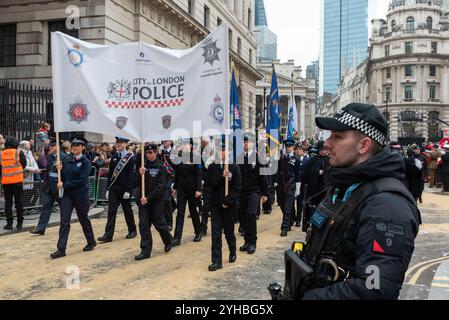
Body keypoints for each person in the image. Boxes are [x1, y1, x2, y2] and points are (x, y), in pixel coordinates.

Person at [298, 103, 419, 300]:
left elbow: (375, 289)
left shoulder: (387, 205)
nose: (327, 143)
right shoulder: (345, 185)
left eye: (338, 136)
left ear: (363, 145)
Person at [51, 136, 96, 259]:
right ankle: (61, 248)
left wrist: (64, 184)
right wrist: (59, 168)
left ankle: (91, 241)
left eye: (77, 145)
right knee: (64, 220)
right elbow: (63, 175)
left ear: (82, 147)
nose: (74, 147)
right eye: (73, 145)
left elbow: (81, 180)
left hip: (81, 194)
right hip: (68, 195)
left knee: (83, 218)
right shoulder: (66, 159)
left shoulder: (86, 162)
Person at [205, 143, 241, 271]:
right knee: (215, 233)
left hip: (228, 207)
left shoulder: (234, 167)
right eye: (220, 150)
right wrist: (222, 176)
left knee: (229, 232)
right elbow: (210, 184)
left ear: (229, 152)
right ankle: (216, 261)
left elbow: (237, 188)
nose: (222, 152)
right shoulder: (213, 167)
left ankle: (232, 250)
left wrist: (229, 201)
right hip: (215, 205)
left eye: (225, 150)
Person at [135, 144, 173, 260]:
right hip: (143, 201)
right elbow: (136, 183)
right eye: (147, 152)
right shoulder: (143, 165)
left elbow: (160, 186)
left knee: (159, 224)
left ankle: (168, 240)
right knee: (144, 226)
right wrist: (139, 173)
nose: (149, 154)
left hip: (156, 201)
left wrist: (148, 198)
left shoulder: (160, 166)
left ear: (156, 153)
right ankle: (145, 251)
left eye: (151, 152)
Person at [97, 137, 137, 243]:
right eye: (117, 143)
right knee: (111, 211)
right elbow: (111, 174)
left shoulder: (131, 158)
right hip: (114, 188)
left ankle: (132, 230)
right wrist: (108, 188)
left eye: (121, 143)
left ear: (126, 144)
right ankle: (108, 235)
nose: (118, 145)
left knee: (127, 210)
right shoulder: (114, 156)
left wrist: (129, 190)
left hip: (124, 189)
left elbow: (131, 175)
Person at [236, 135, 269, 254]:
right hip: (241, 192)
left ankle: (252, 242)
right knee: (242, 216)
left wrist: (265, 193)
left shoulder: (258, 158)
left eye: (248, 142)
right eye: (244, 142)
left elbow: (263, 176)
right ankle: (246, 241)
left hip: (254, 192)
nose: (246, 144)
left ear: (253, 144)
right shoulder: (239, 158)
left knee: (251, 214)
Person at [30, 142, 67, 235]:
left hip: (59, 186)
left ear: (57, 147)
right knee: (45, 207)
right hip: (49, 187)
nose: (50, 147)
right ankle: (40, 228)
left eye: (53, 146)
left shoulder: (64, 157)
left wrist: (61, 170)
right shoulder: (49, 156)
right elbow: (48, 171)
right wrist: (44, 182)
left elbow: (67, 172)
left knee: (64, 208)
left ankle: (65, 226)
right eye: (50, 146)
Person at [172, 139, 203, 246]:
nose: (184, 146)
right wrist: (175, 187)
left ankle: (198, 232)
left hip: (192, 189)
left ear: (190, 146)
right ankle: (177, 237)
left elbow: (199, 175)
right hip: (181, 189)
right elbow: (177, 174)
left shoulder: (195, 157)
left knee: (193, 211)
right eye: (183, 145)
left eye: (186, 144)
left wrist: (199, 189)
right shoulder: (178, 157)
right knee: (180, 212)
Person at [0, 137, 27, 230]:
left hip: (6, 182)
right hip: (17, 181)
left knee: (8, 204)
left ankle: (9, 224)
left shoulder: (1, 154)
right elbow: (24, 164)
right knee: (19, 202)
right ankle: (19, 224)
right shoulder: (19, 152)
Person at [277, 139, 300, 237]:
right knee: (282, 204)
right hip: (281, 185)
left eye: (290, 146)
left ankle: (284, 227)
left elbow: (298, 174)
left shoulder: (296, 159)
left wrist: (298, 188)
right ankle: (290, 220)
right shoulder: (281, 158)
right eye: (286, 146)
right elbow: (278, 172)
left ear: (293, 147)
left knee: (287, 207)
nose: (288, 148)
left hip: (290, 185)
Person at [159, 140, 176, 232]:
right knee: (163, 199)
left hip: (171, 178)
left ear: (170, 141)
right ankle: (174, 205)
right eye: (163, 141)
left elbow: (177, 168)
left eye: (166, 141)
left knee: (166, 199)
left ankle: (169, 223)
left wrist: (174, 183)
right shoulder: (161, 153)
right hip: (162, 178)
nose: (164, 142)